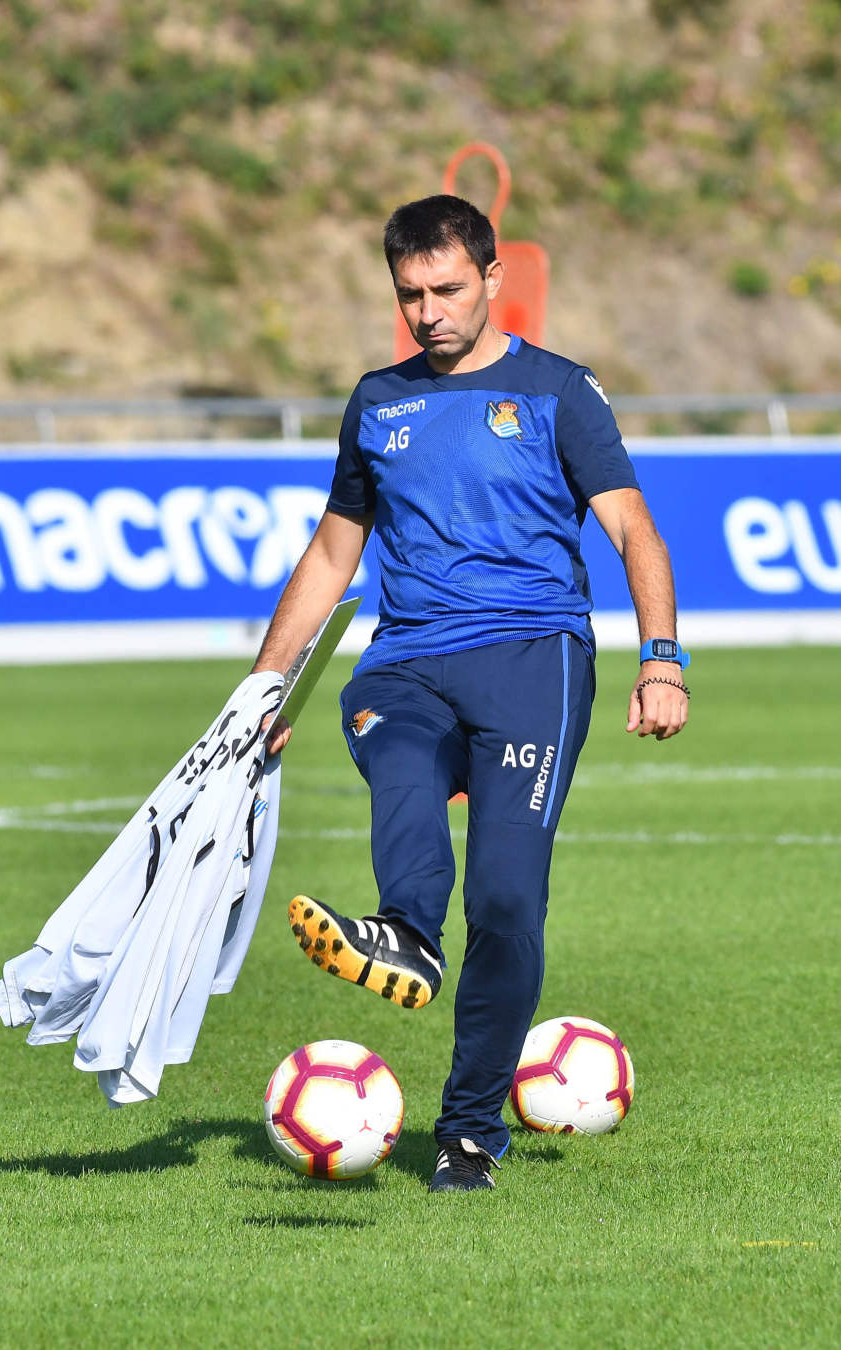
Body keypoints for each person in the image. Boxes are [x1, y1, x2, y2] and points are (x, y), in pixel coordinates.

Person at [252, 194, 689, 1192]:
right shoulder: (378, 402)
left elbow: (634, 528)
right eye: (409, 294)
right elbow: (331, 555)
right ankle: (407, 931)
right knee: (394, 745)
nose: (428, 312)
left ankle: (468, 1129)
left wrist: (661, 658)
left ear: (494, 279)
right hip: (407, 659)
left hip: (535, 658)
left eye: (446, 289)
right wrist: (264, 689)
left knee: (505, 899)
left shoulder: (558, 390)